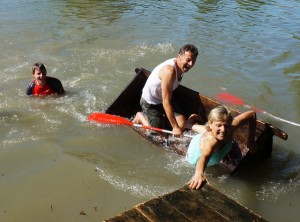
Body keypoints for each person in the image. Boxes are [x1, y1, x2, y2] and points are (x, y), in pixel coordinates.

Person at [132, 44, 198, 137]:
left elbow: (167, 99)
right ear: (179, 57)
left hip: (165, 97)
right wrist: (175, 127)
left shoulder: (181, 66)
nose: (190, 64)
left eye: (193, 61)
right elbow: (166, 102)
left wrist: (177, 126)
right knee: (159, 136)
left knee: (182, 125)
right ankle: (141, 117)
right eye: (188, 60)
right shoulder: (169, 71)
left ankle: (165, 120)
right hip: (151, 102)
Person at [186, 105, 257, 190]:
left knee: (208, 131)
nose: (223, 129)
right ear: (210, 123)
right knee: (230, 173)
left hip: (209, 133)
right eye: (218, 125)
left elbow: (252, 114)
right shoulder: (211, 142)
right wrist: (199, 174)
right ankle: (188, 124)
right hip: (194, 157)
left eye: (226, 125)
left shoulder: (230, 127)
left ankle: (189, 124)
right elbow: (203, 158)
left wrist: (251, 140)